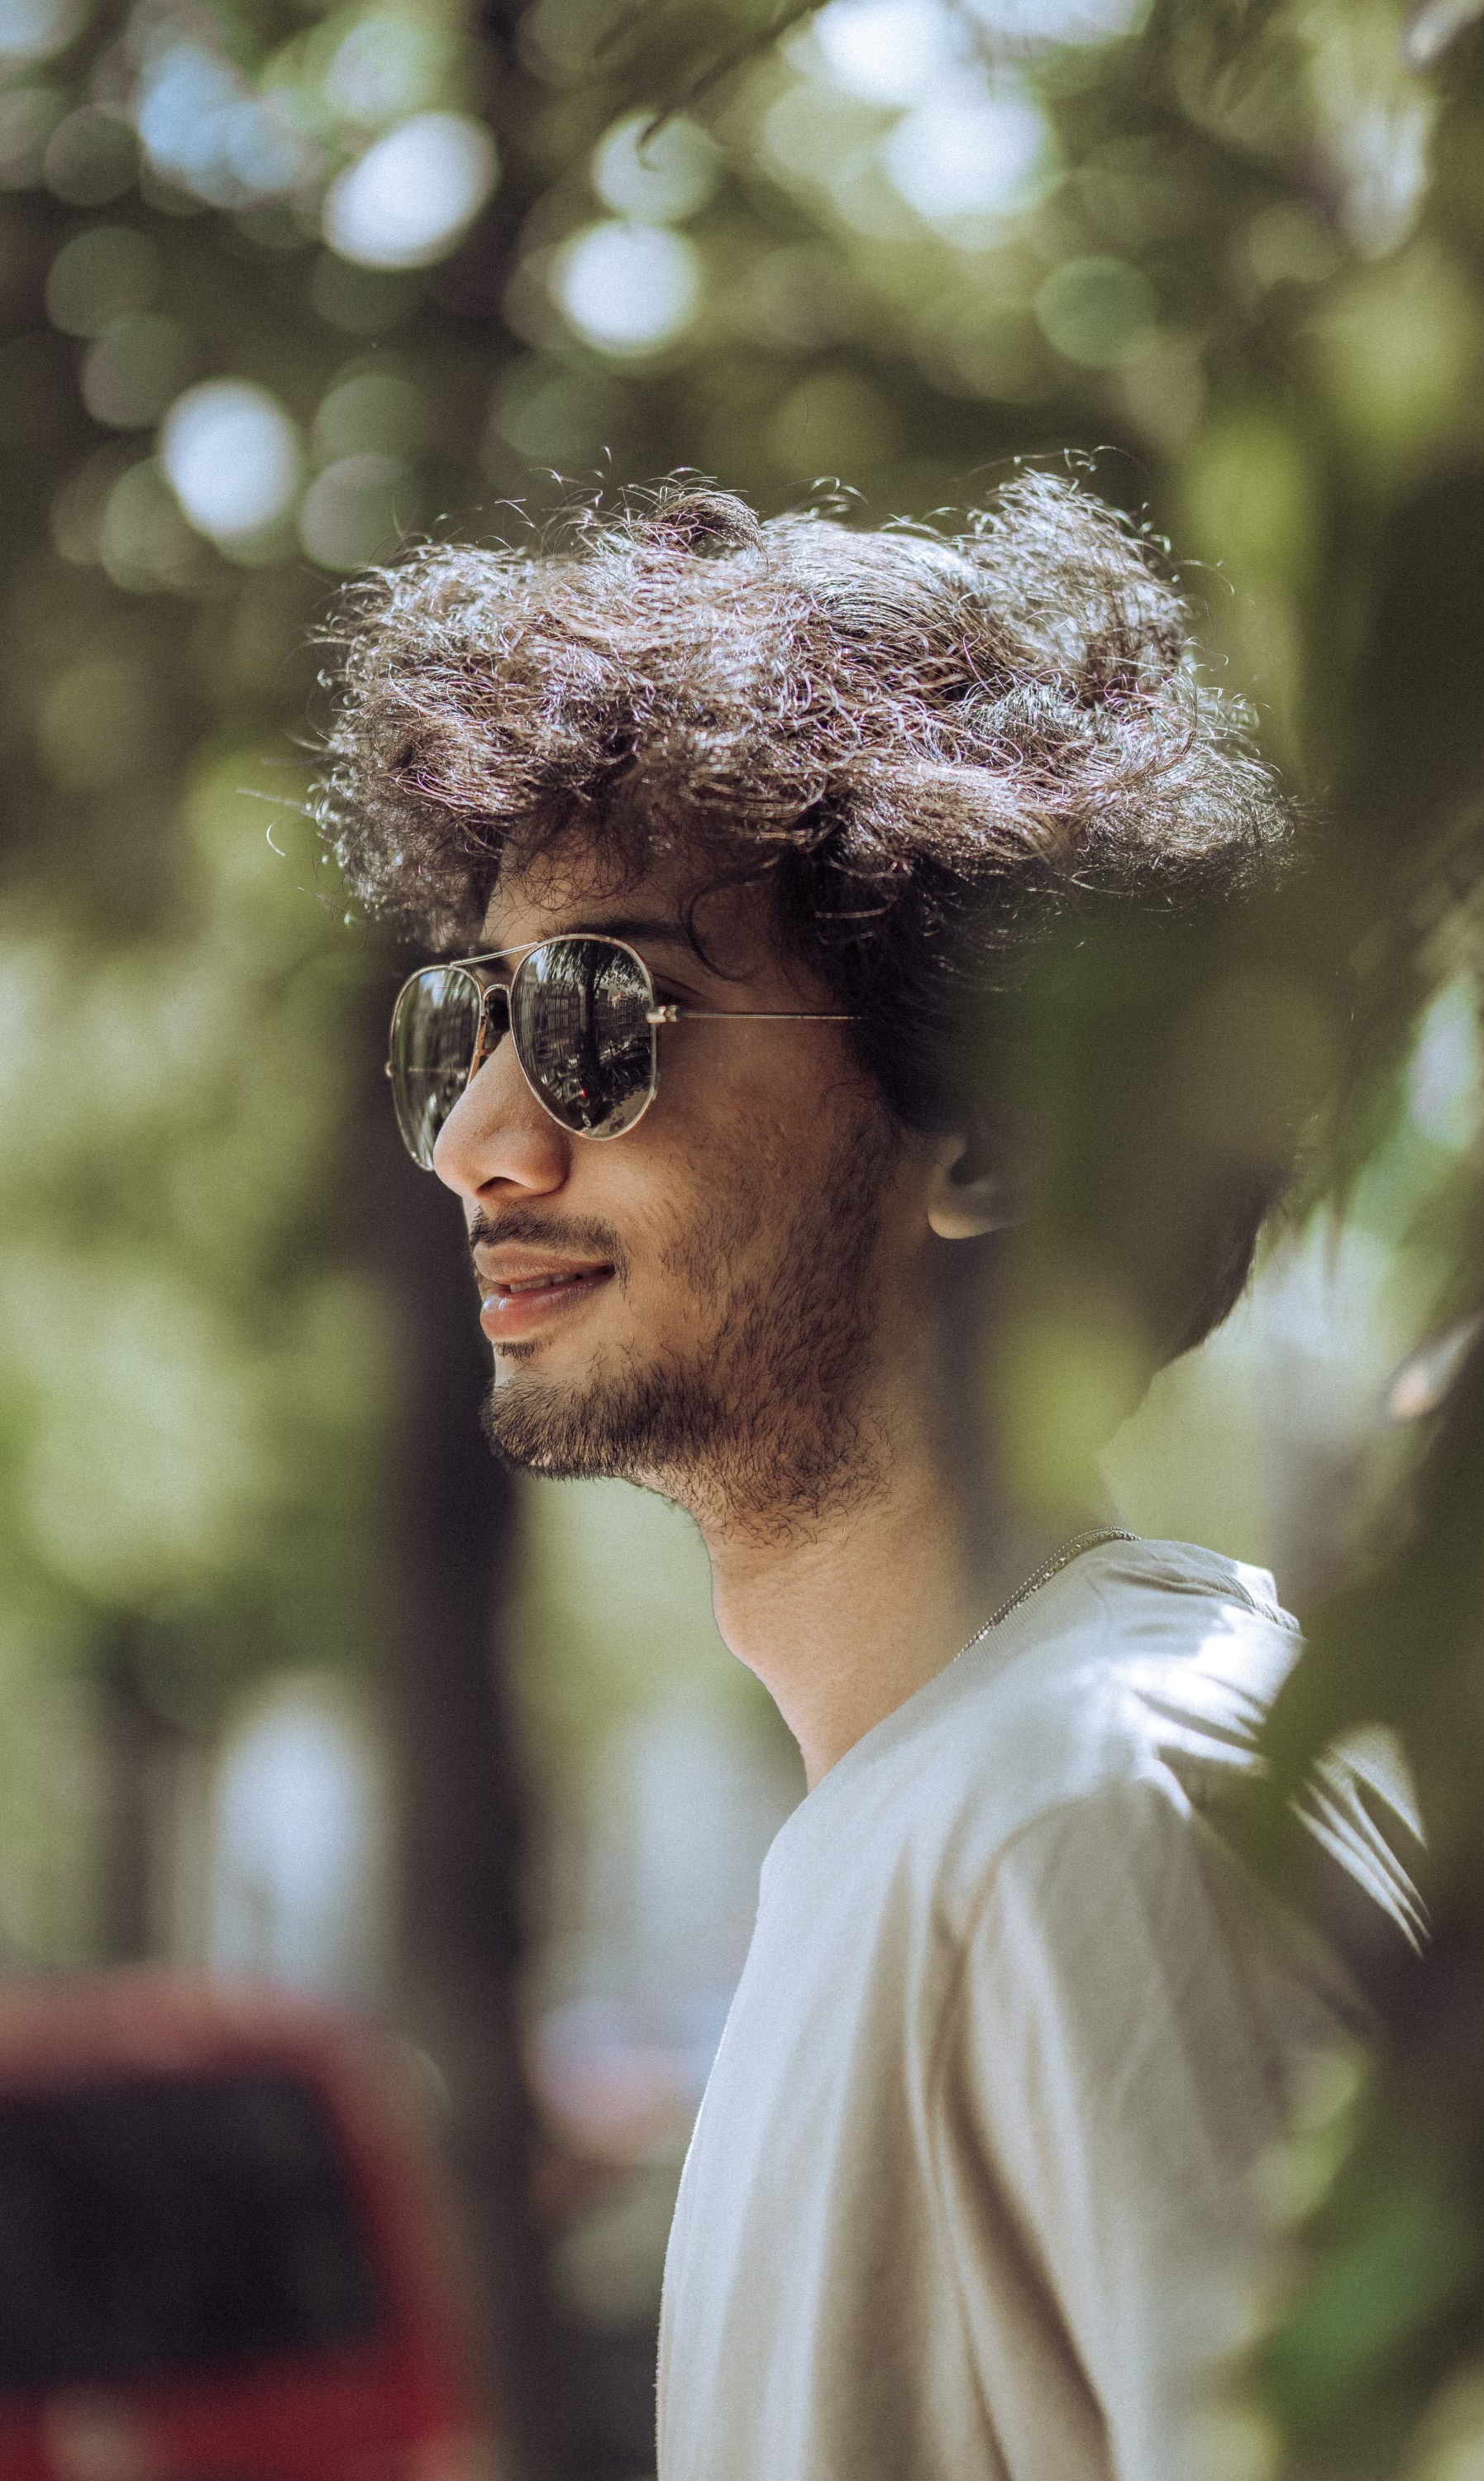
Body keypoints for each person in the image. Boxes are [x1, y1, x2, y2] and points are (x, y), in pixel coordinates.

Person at [317, 474, 1420, 2481]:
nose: (480, 1136)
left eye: (599, 1017)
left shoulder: (1097, 1809)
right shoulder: (950, 1809)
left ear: (990, 1134)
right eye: (467, 1019)